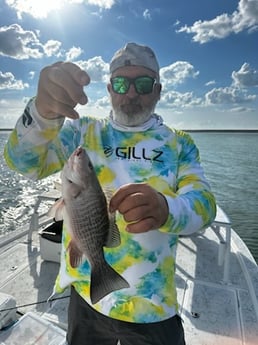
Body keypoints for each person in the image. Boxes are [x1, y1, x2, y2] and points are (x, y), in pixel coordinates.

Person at [4, 42, 216, 345]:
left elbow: (205, 206)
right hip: (87, 295)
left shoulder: (179, 144)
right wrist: (42, 112)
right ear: (109, 88)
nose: (131, 93)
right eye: (121, 83)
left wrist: (168, 209)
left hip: (151, 305)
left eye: (143, 84)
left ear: (158, 90)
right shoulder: (81, 131)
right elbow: (23, 163)